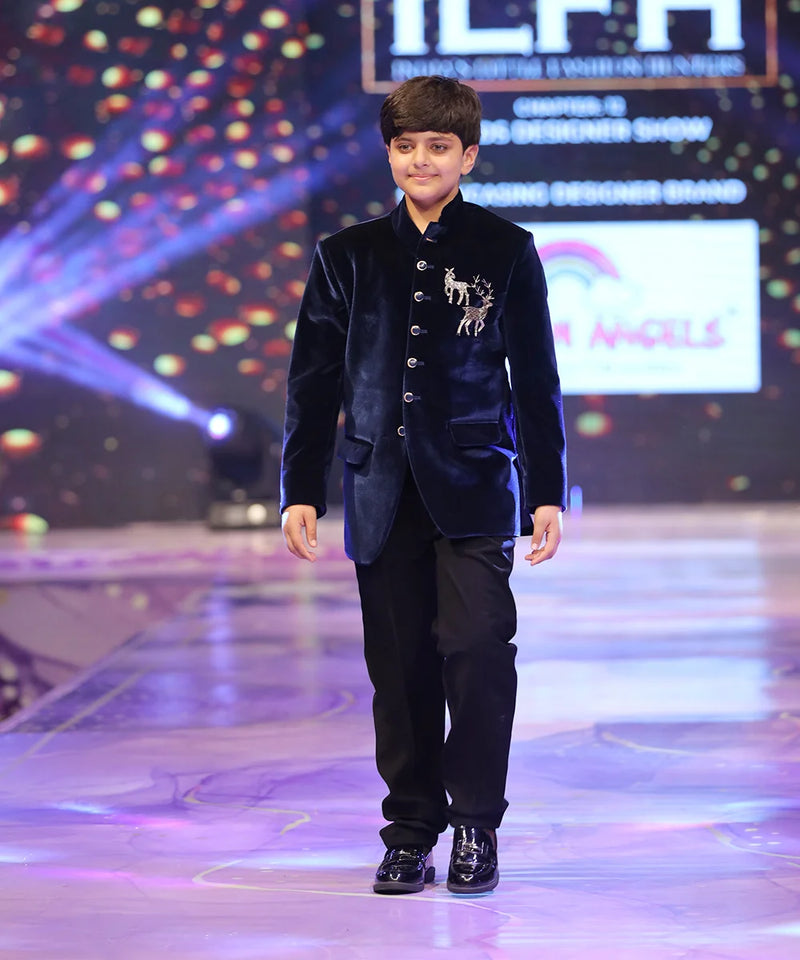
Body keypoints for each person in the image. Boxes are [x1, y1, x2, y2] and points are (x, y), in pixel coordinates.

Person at [280, 75, 566, 895]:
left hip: (476, 485)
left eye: (438, 146)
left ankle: (476, 825)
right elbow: (313, 380)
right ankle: (410, 830)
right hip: (379, 489)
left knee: (478, 651)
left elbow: (536, 379)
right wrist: (302, 486)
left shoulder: (505, 249)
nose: (420, 160)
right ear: (389, 154)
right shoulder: (347, 256)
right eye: (405, 146)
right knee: (399, 671)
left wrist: (546, 490)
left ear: (467, 155)